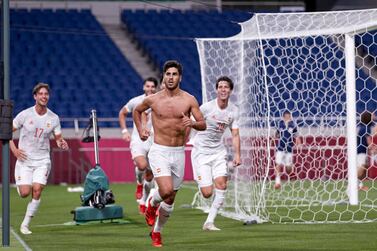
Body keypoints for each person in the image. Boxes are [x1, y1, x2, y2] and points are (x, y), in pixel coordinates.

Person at [133, 60, 206, 247]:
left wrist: (193, 124)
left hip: (179, 152)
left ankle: (157, 232)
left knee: (171, 198)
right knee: (165, 191)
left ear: (180, 77)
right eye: (168, 74)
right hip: (159, 151)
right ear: (163, 77)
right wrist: (141, 129)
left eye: (174, 74)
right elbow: (137, 110)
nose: (171, 77)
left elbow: (203, 124)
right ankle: (151, 204)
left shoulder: (189, 99)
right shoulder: (154, 99)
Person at [10, 83, 69, 235]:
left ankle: (25, 224)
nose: (44, 96)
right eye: (41, 94)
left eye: (46, 94)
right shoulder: (25, 115)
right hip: (24, 160)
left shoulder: (54, 118)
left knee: (37, 190)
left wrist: (61, 142)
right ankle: (22, 185)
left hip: (42, 160)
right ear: (35, 96)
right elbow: (6, 132)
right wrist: (15, 150)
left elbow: (58, 138)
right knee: (25, 193)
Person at [190, 76, 241, 231]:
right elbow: (191, 123)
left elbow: (235, 134)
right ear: (217, 90)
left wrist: (238, 154)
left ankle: (209, 222)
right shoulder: (206, 108)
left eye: (226, 87)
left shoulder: (234, 111)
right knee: (207, 193)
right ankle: (201, 181)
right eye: (220, 87)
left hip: (218, 152)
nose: (223, 89)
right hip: (201, 152)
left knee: (222, 185)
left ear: (230, 90)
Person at [118, 77, 158, 213]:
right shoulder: (135, 101)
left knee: (150, 176)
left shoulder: (159, 101)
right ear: (144, 87)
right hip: (138, 140)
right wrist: (124, 131)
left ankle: (143, 201)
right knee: (141, 165)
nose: (150, 89)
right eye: (148, 86)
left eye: (153, 87)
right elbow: (122, 113)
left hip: (153, 141)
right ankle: (139, 184)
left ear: (156, 88)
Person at [273, 110, 301, 189]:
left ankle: (290, 172)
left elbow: (297, 135)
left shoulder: (293, 125)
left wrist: (299, 143)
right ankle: (277, 182)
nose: (288, 118)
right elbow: (276, 134)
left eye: (289, 117)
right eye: (287, 117)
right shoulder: (280, 125)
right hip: (280, 148)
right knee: (277, 164)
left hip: (289, 148)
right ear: (284, 117)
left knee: (288, 168)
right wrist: (275, 137)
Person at [356, 111, 374, 191]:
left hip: (362, 150)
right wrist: (372, 148)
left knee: (365, 167)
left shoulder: (363, 127)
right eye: (372, 115)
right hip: (361, 150)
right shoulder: (366, 128)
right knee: (362, 166)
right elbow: (368, 140)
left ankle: (360, 185)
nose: (374, 116)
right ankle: (352, 180)